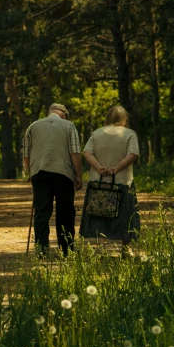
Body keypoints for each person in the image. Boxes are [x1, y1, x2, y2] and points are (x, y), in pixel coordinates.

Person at [23, 103, 83, 257]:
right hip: (63, 172)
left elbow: (27, 153)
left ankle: (41, 250)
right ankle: (66, 249)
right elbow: (75, 152)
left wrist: (29, 172)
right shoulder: (69, 126)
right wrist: (79, 175)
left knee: (41, 210)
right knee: (65, 211)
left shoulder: (33, 126)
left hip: (39, 172)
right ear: (63, 114)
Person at [80, 105, 140, 250]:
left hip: (98, 181)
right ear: (124, 119)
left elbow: (87, 152)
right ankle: (126, 249)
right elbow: (133, 155)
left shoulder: (97, 133)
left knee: (99, 214)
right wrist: (117, 168)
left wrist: (98, 167)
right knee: (125, 216)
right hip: (122, 181)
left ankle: (101, 247)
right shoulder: (130, 134)